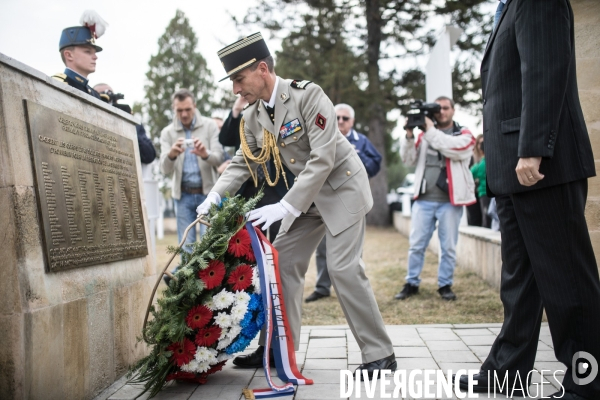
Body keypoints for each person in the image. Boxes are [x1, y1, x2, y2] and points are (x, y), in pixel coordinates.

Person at [196, 32, 395, 378]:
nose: (235, 89)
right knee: (282, 261)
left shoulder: (308, 95)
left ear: (262, 69)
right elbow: (243, 163)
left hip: (341, 188)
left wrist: (287, 207)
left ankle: (380, 354)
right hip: (308, 198)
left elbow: (323, 157)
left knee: (343, 267)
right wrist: (214, 195)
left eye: (238, 79)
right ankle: (276, 349)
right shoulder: (252, 116)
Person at [458, 1, 600, 399]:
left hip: (539, 165)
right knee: (519, 281)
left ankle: (589, 383)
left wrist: (534, 148)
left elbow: (545, 70)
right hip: (511, 167)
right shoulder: (509, 7)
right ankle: (507, 372)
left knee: (567, 282)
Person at [395, 97, 476, 301]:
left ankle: (445, 285)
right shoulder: (424, 136)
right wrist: (409, 134)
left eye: (445, 108)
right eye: (437, 108)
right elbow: (408, 160)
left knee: (447, 246)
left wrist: (429, 129)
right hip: (424, 199)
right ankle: (411, 283)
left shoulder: (463, 134)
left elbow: (452, 149)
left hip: (450, 201)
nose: (441, 112)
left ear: (453, 110)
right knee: (416, 244)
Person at [304, 103, 382, 303]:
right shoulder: (321, 136)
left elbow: (375, 163)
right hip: (325, 200)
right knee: (322, 248)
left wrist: (355, 156)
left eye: (345, 118)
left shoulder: (361, 141)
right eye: (337, 117)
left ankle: (352, 288)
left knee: (353, 248)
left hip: (351, 200)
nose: (340, 122)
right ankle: (322, 287)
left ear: (352, 121)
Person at [218, 95, 295, 241]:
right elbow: (225, 139)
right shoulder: (243, 121)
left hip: (274, 185)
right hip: (247, 187)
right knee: (249, 239)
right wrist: (236, 110)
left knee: (277, 236)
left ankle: (276, 264)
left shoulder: (278, 116)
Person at [160, 89, 224, 254]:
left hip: (208, 193)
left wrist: (205, 154)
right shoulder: (167, 133)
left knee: (208, 246)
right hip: (183, 197)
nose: (184, 114)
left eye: (188, 109)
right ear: (174, 109)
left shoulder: (210, 126)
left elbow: (219, 158)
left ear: (194, 106)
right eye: (179, 110)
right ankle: (186, 280)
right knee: (186, 247)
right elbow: (164, 168)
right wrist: (172, 155)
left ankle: (207, 280)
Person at [93, 83, 156, 165]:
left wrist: (128, 126)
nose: (108, 100)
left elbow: (149, 156)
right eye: (103, 97)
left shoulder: (134, 125)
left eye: (111, 97)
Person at [52, 11, 108, 100]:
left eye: (95, 53)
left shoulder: (95, 94)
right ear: (69, 55)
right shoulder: (57, 85)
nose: (95, 57)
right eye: (88, 52)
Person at [470, 135, 490, 228]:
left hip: (484, 193)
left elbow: (470, 174)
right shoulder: (484, 163)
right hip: (489, 193)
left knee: (486, 218)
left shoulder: (480, 164)